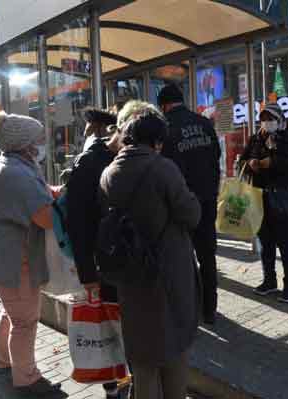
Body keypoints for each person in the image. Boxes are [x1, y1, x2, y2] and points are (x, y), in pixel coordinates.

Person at [98, 100, 201, 399]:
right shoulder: (163, 168)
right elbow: (191, 214)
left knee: (142, 355)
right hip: (168, 270)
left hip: (130, 273)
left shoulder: (108, 173)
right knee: (174, 346)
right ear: (156, 142)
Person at [0, 111, 63, 397]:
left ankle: (3, 361)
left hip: (1, 256)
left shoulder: (15, 164)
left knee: (12, 314)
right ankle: (27, 379)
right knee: (24, 321)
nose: (43, 143)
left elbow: (42, 192)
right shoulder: (16, 172)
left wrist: (60, 190)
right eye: (39, 139)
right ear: (26, 144)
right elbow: (46, 218)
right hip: (12, 259)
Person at [66, 107, 124, 399]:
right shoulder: (92, 160)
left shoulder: (102, 158)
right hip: (103, 261)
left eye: (90, 127)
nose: (87, 131)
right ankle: (113, 385)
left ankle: (117, 382)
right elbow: (77, 221)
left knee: (112, 323)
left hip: (110, 259)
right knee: (107, 324)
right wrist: (87, 271)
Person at [158, 84, 221, 325]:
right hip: (207, 199)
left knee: (182, 259)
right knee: (207, 256)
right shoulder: (204, 123)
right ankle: (210, 310)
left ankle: (188, 309)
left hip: (180, 203)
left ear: (164, 105)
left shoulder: (165, 127)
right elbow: (216, 156)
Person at [240, 103, 288, 303]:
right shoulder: (255, 139)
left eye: (271, 119)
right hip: (260, 198)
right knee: (265, 242)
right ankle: (269, 281)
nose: (266, 123)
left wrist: (274, 162)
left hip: (284, 198)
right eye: (263, 118)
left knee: (286, 244)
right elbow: (242, 161)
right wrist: (251, 163)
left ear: (280, 120)